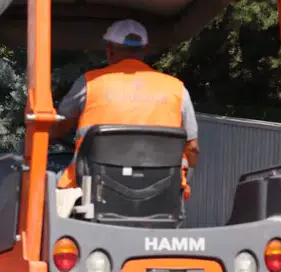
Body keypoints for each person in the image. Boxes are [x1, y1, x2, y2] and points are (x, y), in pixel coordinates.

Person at [52, 19, 199, 199]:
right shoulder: (177, 89)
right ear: (145, 50)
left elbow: (58, 128)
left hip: (94, 190)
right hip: (160, 192)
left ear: (110, 49)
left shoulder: (89, 83)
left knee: (50, 183)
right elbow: (192, 148)